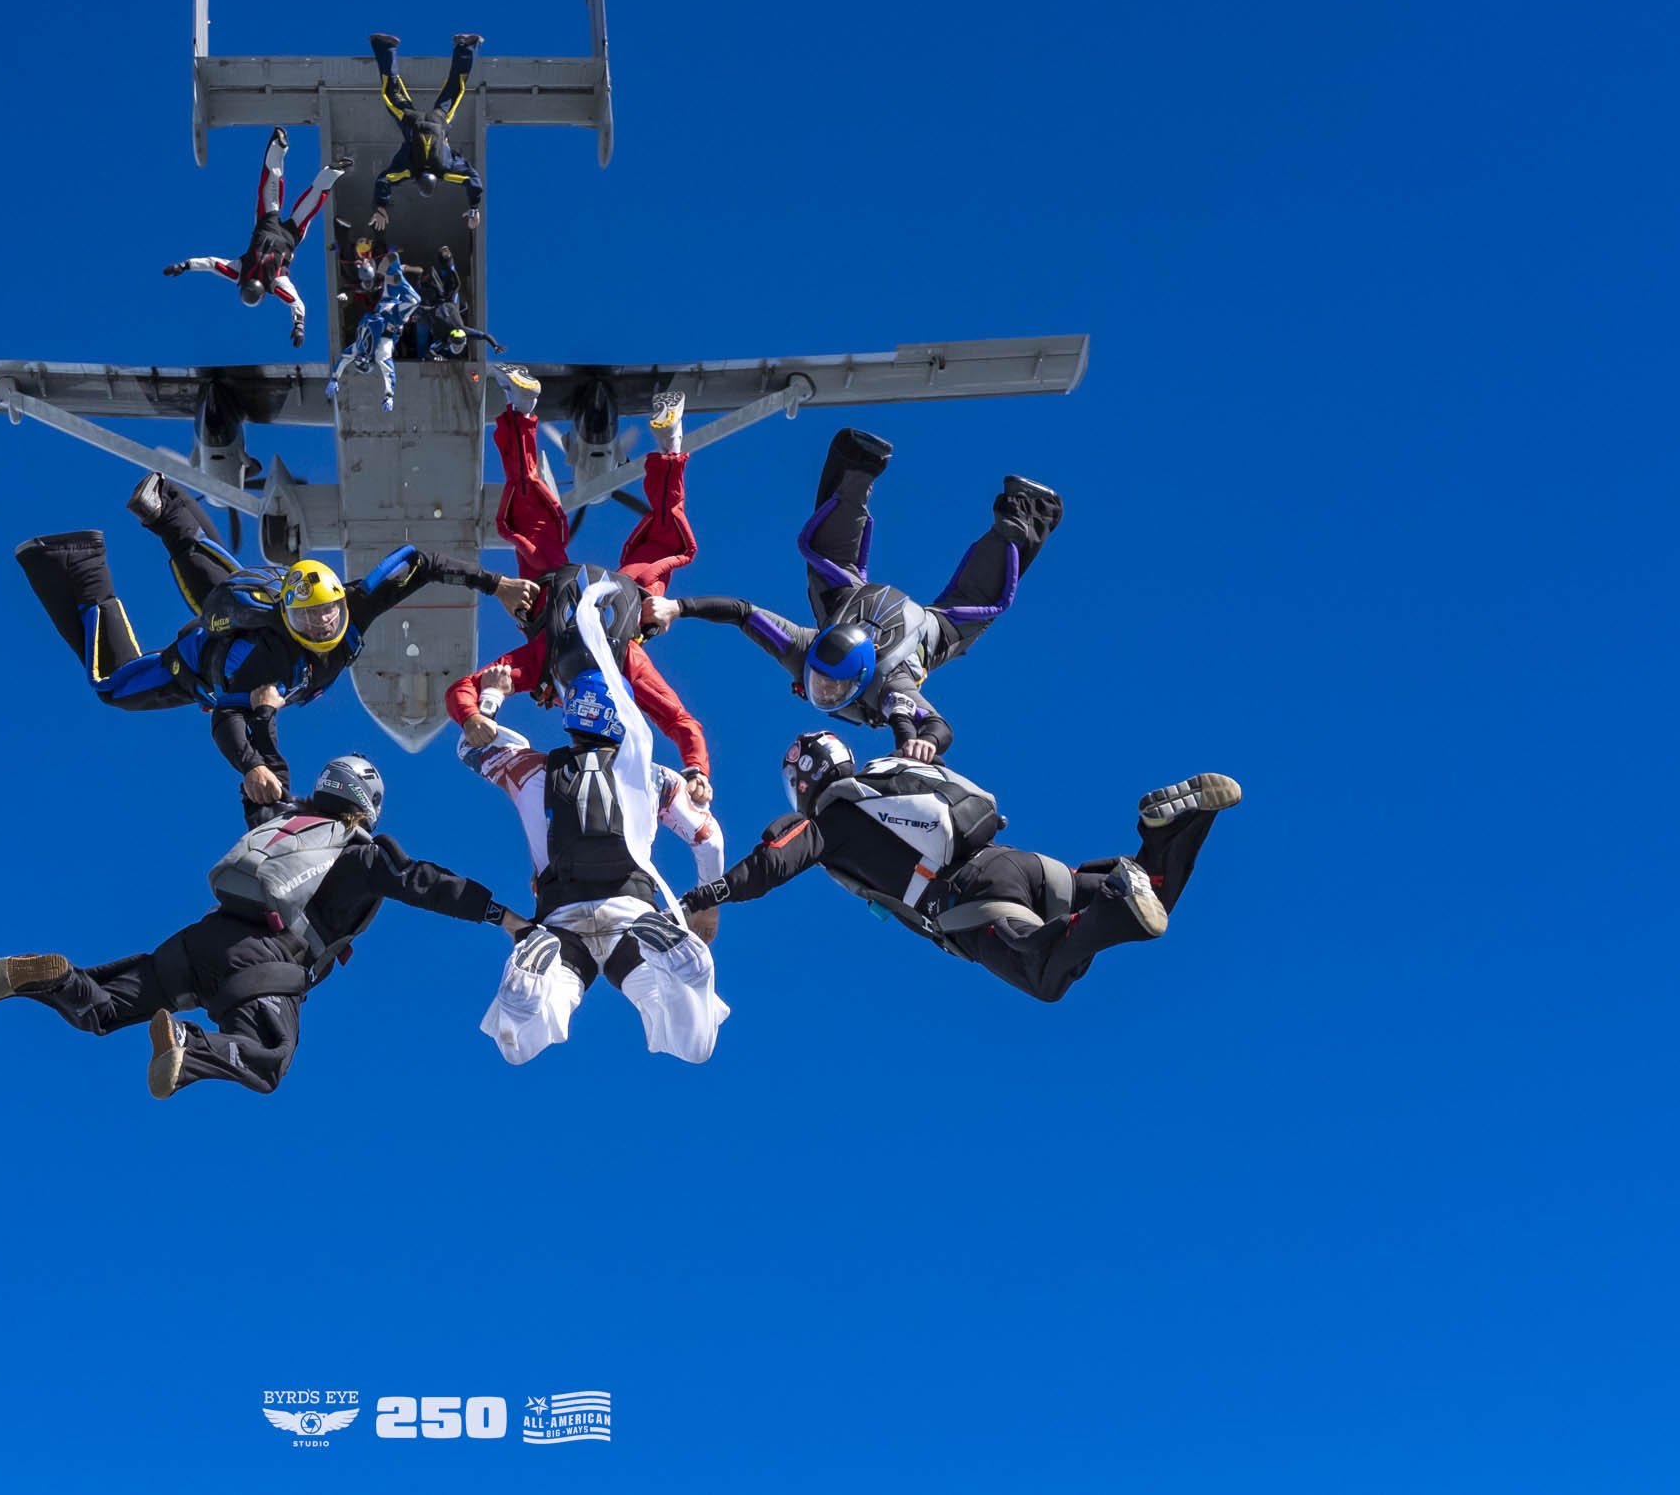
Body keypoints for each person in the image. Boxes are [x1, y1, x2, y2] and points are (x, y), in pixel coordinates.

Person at [0, 755, 533, 1096]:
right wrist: (503, 917)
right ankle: (190, 1046)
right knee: (269, 1057)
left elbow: (262, 788)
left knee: (103, 1010)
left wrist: (258, 739)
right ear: (368, 806)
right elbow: (424, 882)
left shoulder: (283, 821)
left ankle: (58, 979)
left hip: (201, 939)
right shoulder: (360, 856)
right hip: (265, 963)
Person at [14, 474, 535, 802]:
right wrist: (254, 766)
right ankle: (76, 563)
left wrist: (499, 585)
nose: (324, 625)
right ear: (290, 615)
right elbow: (227, 718)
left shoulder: (355, 602)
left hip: (249, 608)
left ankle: (157, 509)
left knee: (225, 590)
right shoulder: (259, 661)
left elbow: (422, 563)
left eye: (329, 613)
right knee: (114, 685)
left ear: (340, 598)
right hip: (203, 663)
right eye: (310, 620)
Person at [680, 730, 1240, 1003]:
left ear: (802, 784)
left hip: (970, 900)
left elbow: (774, 862)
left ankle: (1118, 899)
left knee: (1045, 975)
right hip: (1018, 863)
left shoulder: (831, 820)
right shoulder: (889, 773)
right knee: (1155, 897)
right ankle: (1168, 831)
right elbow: (938, 739)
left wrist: (705, 895)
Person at [645, 427, 1062, 761]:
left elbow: (938, 727)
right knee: (970, 604)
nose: (823, 691)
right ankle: (1020, 509)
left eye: (828, 686)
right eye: (823, 683)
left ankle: (863, 466)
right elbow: (741, 612)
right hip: (863, 607)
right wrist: (676, 608)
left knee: (970, 603)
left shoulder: (883, 682)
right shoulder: (809, 651)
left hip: (903, 623)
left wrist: (924, 742)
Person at [458, 626, 729, 1065]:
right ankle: (687, 977)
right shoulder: (655, 778)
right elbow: (709, 840)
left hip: (559, 920)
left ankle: (531, 983)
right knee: (693, 1044)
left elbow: (470, 747)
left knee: (519, 1045)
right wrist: (705, 906)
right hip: (634, 915)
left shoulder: (531, 771)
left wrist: (490, 698)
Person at [449, 366, 712, 799]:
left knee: (663, 540)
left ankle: (669, 444)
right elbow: (460, 690)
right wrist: (471, 715)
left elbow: (681, 723)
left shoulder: (616, 663)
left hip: (606, 594)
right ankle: (521, 407)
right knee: (529, 510)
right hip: (577, 592)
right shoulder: (550, 663)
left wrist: (698, 769)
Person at [161, 127, 349, 347]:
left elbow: (213, 264)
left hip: (275, 229)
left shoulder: (253, 276)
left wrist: (184, 266)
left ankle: (313, 163)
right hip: (280, 232)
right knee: (284, 191)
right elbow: (213, 264)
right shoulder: (260, 278)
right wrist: (184, 266)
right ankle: (291, 153)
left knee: (298, 198)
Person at [368, 32, 485, 229]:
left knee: (455, 88)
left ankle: (466, 46)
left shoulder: (445, 170)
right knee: (391, 92)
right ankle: (385, 46)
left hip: (440, 119)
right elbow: (384, 180)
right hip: (412, 120)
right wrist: (380, 207)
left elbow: (473, 180)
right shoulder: (410, 170)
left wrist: (474, 207)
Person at [330, 250, 421, 412]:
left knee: (415, 301)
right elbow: (343, 359)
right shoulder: (358, 348)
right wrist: (334, 377)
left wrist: (389, 395)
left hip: (393, 317)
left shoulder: (378, 353)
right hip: (383, 307)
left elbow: (388, 372)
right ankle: (394, 270)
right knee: (393, 270)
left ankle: (396, 277)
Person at [405, 245, 504, 361]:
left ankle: (420, 275)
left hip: (434, 306)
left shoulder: (445, 339)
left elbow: (429, 352)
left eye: (456, 345)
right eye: (458, 345)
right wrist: (495, 345)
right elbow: (484, 336)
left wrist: (437, 357)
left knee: (419, 300)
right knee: (455, 284)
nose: (457, 346)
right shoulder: (461, 333)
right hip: (447, 302)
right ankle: (446, 258)